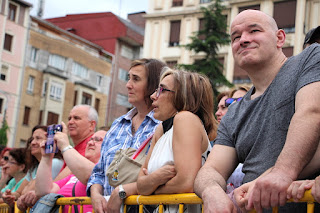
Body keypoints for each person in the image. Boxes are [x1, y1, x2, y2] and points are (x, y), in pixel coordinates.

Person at [194, 9, 320, 213]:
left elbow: (311, 112)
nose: (243, 39)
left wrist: (282, 172)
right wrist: (211, 191)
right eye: (236, 37)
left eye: (254, 31)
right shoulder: (233, 114)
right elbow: (212, 169)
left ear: (280, 38)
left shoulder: (310, 58)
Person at [87, 58, 166, 213]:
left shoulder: (164, 124)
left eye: (135, 79)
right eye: (128, 78)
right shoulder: (117, 125)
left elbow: (165, 177)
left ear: (153, 85)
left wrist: (122, 191)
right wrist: (96, 195)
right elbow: (99, 172)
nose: (128, 85)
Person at [136, 69, 217, 212]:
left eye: (162, 90)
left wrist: (152, 189)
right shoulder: (161, 129)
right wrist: (157, 178)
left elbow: (187, 183)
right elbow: (140, 185)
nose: (153, 96)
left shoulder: (185, 118)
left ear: (182, 96)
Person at [35, 123, 107, 213]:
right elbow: (44, 191)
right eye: (90, 140)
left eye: (97, 140)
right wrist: (46, 157)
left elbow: (92, 176)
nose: (90, 143)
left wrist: (65, 146)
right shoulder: (74, 176)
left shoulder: (107, 169)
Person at [3, 125, 64, 210]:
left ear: (51, 140)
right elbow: (19, 192)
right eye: (32, 139)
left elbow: (28, 191)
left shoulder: (55, 162)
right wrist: (10, 196)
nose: (32, 143)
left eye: (38, 138)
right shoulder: (34, 168)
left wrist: (21, 194)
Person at [55, 104, 98, 181]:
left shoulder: (92, 147)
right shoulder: (72, 148)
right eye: (69, 118)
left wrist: (64, 145)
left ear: (91, 125)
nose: (70, 122)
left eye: (76, 118)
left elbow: (57, 184)